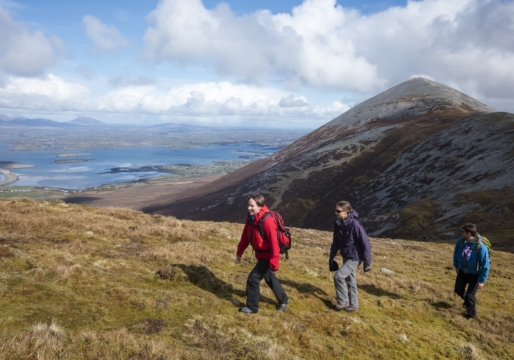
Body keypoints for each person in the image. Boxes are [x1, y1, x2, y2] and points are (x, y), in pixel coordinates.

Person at [236, 194, 289, 314]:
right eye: (248, 205)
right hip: (261, 255)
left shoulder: (267, 221)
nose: (249, 208)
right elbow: (245, 236)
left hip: (268, 255)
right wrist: (239, 252)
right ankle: (284, 299)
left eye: (252, 206)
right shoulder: (251, 218)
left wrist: (274, 264)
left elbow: (274, 244)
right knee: (269, 277)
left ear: (260, 206)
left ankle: (252, 307)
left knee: (253, 278)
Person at [329, 201, 371, 313]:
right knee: (351, 281)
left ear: (346, 212)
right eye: (335, 210)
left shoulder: (354, 224)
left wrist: (367, 263)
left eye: (338, 211)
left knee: (338, 276)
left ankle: (343, 301)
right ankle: (353, 305)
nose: (335, 213)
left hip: (355, 257)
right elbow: (335, 242)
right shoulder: (338, 224)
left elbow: (365, 243)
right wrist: (331, 257)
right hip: (346, 256)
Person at [453, 223, 490, 320]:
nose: (461, 233)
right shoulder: (461, 241)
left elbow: (485, 264)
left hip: (475, 274)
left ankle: (471, 315)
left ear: (469, 233)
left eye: (463, 232)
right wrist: (456, 266)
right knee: (458, 290)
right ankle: (467, 302)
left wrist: (481, 281)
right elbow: (456, 253)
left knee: (470, 295)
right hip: (462, 271)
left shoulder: (481, 247)